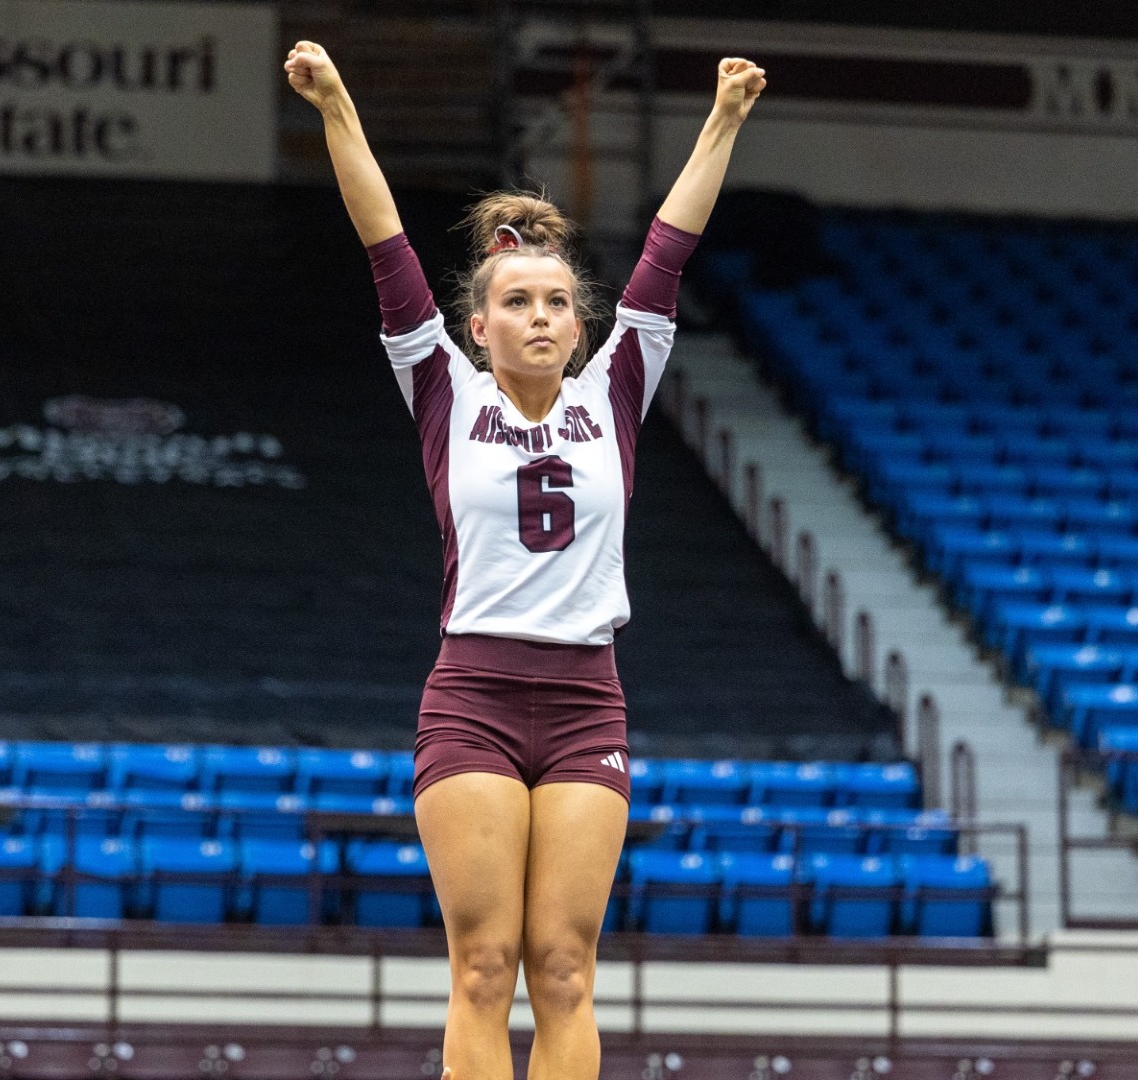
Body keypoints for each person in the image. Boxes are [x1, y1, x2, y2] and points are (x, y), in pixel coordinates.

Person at [284, 39, 764, 1080]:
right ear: (477, 323)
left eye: (555, 303)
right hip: (474, 694)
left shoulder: (618, 386)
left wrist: (723, 117)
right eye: (517, 303)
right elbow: (384, 241)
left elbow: (670, 250)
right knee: (483, 966)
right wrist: (335, 105)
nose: (539, 317)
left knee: (564, 966)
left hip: (588, 697)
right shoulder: (444, 391)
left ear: (581, 323)